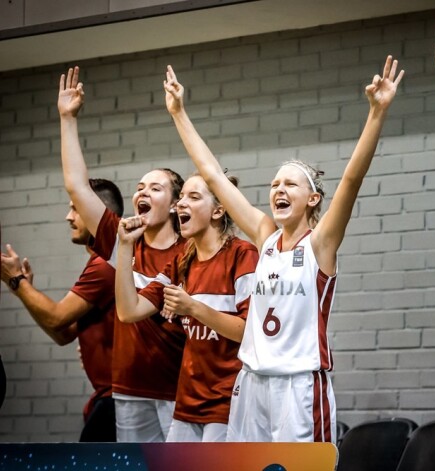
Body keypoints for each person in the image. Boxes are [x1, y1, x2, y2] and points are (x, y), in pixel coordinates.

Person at [163, 55, 404, 443]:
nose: (279, 189)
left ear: (312, 198)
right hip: (252, 382)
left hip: (299, 386)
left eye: (290, 184)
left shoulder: (320, 243)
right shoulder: (265, 236)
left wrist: (376, 113)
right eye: (275, 184)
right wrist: (179, 113)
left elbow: (353, 178)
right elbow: (212, 174)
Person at [58, 66, 187, 442]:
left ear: (176, 203)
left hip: (180, 393)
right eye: (139, 186)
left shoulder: (189, 252)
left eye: (156, 187)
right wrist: (67, 119)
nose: (143, 192)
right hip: (128, 392)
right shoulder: (123, 239)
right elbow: (77, 187)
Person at [114, 173, 258, 442]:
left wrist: (193, 308)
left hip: (228, 402)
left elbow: (247, 331)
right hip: (187, 402)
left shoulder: (243, 254)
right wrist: (124, 246)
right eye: (181, 197)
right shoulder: (182, 260)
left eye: (193, 197)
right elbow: (128, 311)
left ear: (218, 210)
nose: (181, 204)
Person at [1, 178, 124, 442]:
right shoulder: (101, 261)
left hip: (118, 399)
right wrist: (22, 289)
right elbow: (64, 334)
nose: (68, 217)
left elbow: (56, 318)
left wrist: (17, 282)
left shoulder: (106, 263)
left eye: (75, 208)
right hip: (108, 397)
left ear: (100, 213)